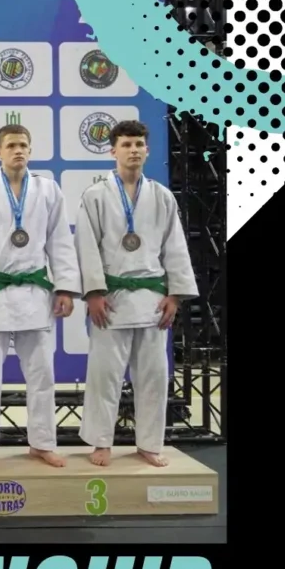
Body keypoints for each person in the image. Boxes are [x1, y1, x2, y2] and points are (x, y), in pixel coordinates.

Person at [0, 124, 82, 468]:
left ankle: (42, 443)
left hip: (35, 293)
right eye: (11, 145)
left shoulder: (48, 190)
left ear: (31, 149)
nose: (18, 150)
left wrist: (65, 287)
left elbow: (60, 241)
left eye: (23, 145)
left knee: (42, 375)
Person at [75, 120, 199, 467]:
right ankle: (101, 442)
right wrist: (93, 293)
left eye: (139, 144)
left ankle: (149, 443)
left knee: (153, 377)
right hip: (111, 300)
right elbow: (86, 246)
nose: (133, 150)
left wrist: (175, 295)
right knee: (104, 376)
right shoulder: (95, 195)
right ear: (112, 151)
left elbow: (175, 247)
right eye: (127, 144)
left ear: (147, 150)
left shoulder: (162, 196)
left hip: (152, 300)